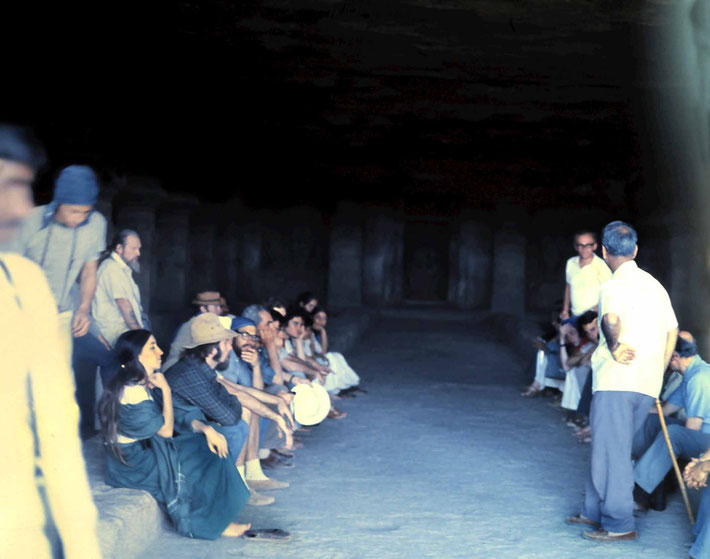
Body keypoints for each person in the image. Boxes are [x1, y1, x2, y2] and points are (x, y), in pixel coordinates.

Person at [0, 123, 102, 558]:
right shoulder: (31, 228)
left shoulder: (94, 226)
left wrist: (83, 307)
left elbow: (89, 269)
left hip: (54, 313)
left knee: (57, 405)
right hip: (22, 313)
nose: (20, 207)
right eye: (9, 187)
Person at [566, 220, 678, 542]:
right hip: (645, 383)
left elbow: (610, 319)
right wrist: (658, 369)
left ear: (603, 251)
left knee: (612, 453)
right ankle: (592, 510)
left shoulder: (612, 286)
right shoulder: (655, 286)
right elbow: (672, 329)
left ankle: (618, 523)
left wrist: (614, 346)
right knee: (607, 448)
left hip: (617, 381)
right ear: (636, 250)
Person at [99, 329, 254, 540]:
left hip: (143, 452)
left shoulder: (142, 382)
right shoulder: (132, 391)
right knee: (200, 457)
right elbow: (165, 431)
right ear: (137, 356)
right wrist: (166, 390)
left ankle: (217, 516)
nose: (160, 351)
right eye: (152, 347)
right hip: (132, 465)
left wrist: (207, 429)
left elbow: (179, 415)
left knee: (209, 439)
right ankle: (205, 524)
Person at [164, 313, 292, 505]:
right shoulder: (191, 374)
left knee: (245, 408)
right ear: (212, 349)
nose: (229, 346)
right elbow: (230, 416)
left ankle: (247, 479)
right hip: (181, 446)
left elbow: (237, 389)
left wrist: (276, 411)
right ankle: (236, 487)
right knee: (238, 423)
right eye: (225, 343)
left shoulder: (199, 365)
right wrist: (234, 398)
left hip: (191, 431)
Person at [632, 332, 710, 506]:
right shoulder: (690, 374)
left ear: (674, 355)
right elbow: (663, 411)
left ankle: (639, 493)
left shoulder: (700, 378)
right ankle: (653, 484)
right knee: (652, 422)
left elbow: (692, 428)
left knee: (673, 434)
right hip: (700, 435)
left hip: (707, 441)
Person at [93, 229, 148, 348]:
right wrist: (142, 340)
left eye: (139, 248)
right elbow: (124, 305)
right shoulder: (111, 269)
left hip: (126, 335)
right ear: (119, 248)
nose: (138, 253)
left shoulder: (121, 269)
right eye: (134, 248)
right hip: (118, 337)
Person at [163, 291, 223, 371]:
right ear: (203, 309)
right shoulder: (196, 325)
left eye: (219, 306)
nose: (219, 310)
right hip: (176, 369)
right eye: (215, 307)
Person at [560, 230, 611, 323]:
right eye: (580, 245)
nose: (584, 249)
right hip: (574, 315)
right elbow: (568, 286)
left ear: (594, 246)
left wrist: (593, 311)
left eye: (588, 245)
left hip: (593, 319)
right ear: (575, 246)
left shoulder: (602, 265)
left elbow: (608, 293)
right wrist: (565, 310)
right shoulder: (571, 262)